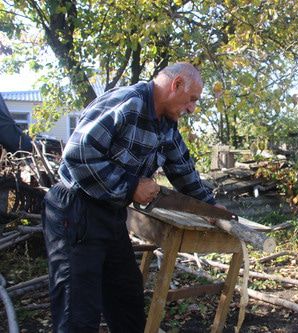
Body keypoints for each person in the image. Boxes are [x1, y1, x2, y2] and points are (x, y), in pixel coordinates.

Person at [42, 62, 217, 332]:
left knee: (126, 297)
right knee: (77, 311)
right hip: (76, 210)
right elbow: (78, 157)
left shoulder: (166, 124)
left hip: (110, 213)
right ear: (177, 84)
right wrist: (131, 186)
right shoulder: (127, 103)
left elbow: (182, 168)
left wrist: (212, 206)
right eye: (192, 99)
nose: (192, 108)